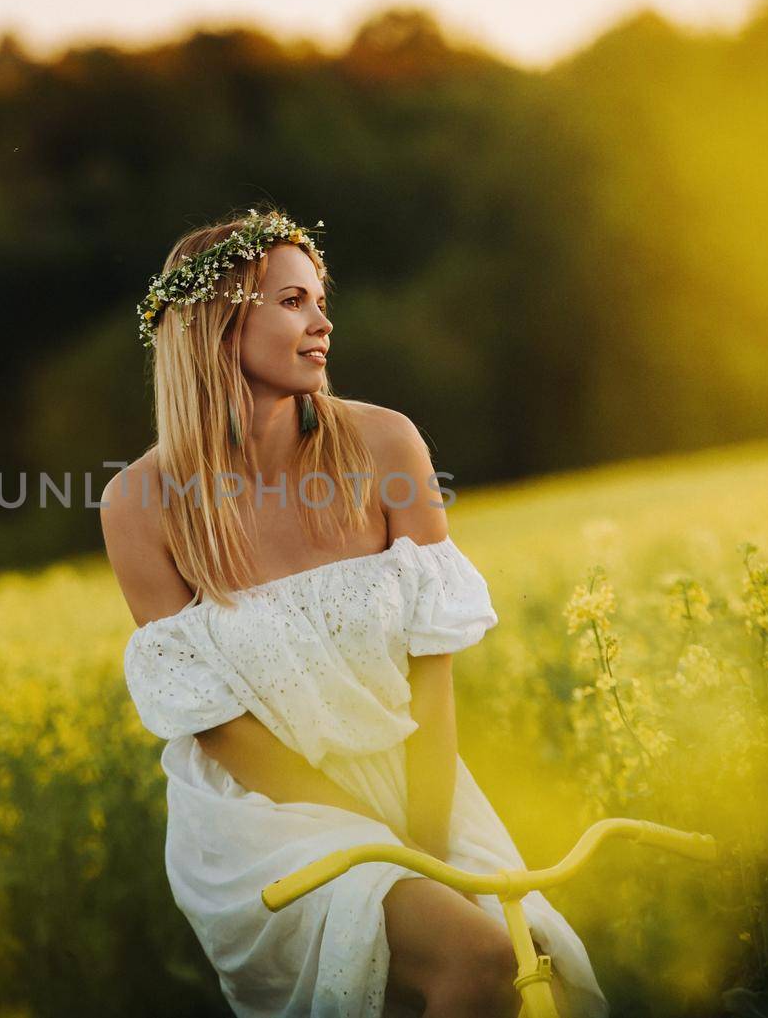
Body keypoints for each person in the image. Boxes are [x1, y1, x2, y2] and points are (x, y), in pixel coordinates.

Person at [100, 206, 608, 1018]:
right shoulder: (141, 503)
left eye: (319, 297)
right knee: (475, 959)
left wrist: (425, 840)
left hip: (414, 781)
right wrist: (380, 842)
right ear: (220, 324)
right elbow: (218, 729)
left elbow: (431, 674)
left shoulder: (386, 446)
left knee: (534, 965)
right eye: (293, 301)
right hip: (264, 815)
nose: (323, 321)